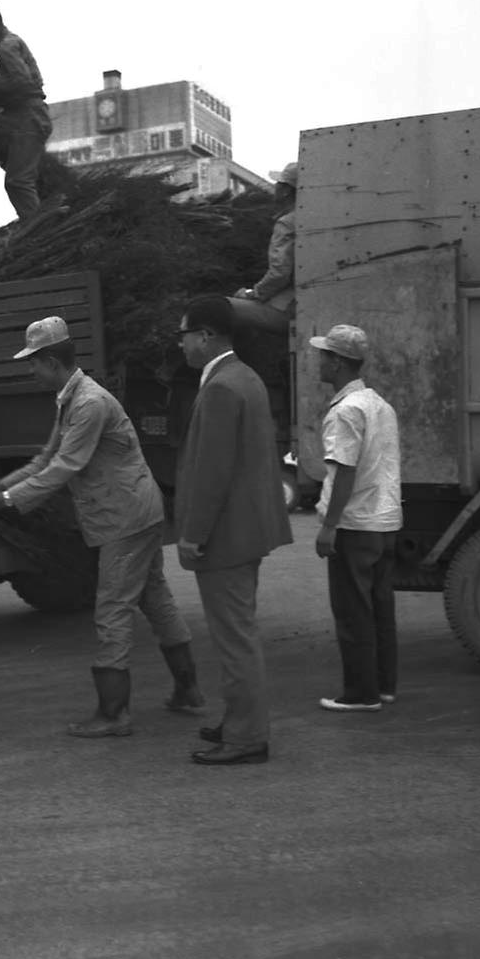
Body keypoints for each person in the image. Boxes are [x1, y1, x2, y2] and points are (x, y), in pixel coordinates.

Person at [0, 316, 201, 738]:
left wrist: (2, 502)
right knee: (155, 598)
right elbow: (46, 458)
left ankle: (115, 714)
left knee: (112, 608)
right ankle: (188, 691)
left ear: (53, 360)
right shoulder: (71, 396)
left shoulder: (89, 402)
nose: (29, 370)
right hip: (135, 511)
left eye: (34, 363)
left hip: (123, 517)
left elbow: (65, 466)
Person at [175, 295, 293, 767]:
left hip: (225, 536)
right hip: (246, 531)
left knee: (234, 638)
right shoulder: (244, 377)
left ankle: (246, 736)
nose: (181, 344)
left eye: (184, 335)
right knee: (236, 634)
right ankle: (238, 720)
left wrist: (192, 534)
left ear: (205, 336)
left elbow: (213, 472)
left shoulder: (223, 387)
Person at [311, 325, 402, 712]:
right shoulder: (380, 404)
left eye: (324, 356)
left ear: (337, 362)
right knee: (380, 609)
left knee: (353, 611)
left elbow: (344, 471)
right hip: (385, 522)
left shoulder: (346, 411)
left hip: (355, 525)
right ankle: (383, 686)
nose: (319, 361)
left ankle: (360, 694)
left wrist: (328, 527)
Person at [0, 0, 52, 220]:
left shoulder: (6, 47)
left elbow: (21, 84)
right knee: (24, 178)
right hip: (29, 115)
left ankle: (38, 230)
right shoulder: (11, 42)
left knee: (17, 182)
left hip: (27, 116)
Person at [230, 162, 297, 335]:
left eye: (279, 184)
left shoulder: (287, 223)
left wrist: (254, 294)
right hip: (303, 301)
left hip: (288, 306)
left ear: (286, 190)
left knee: (218, 308)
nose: (275, 187)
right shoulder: (309, 217)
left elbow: (279, 273)